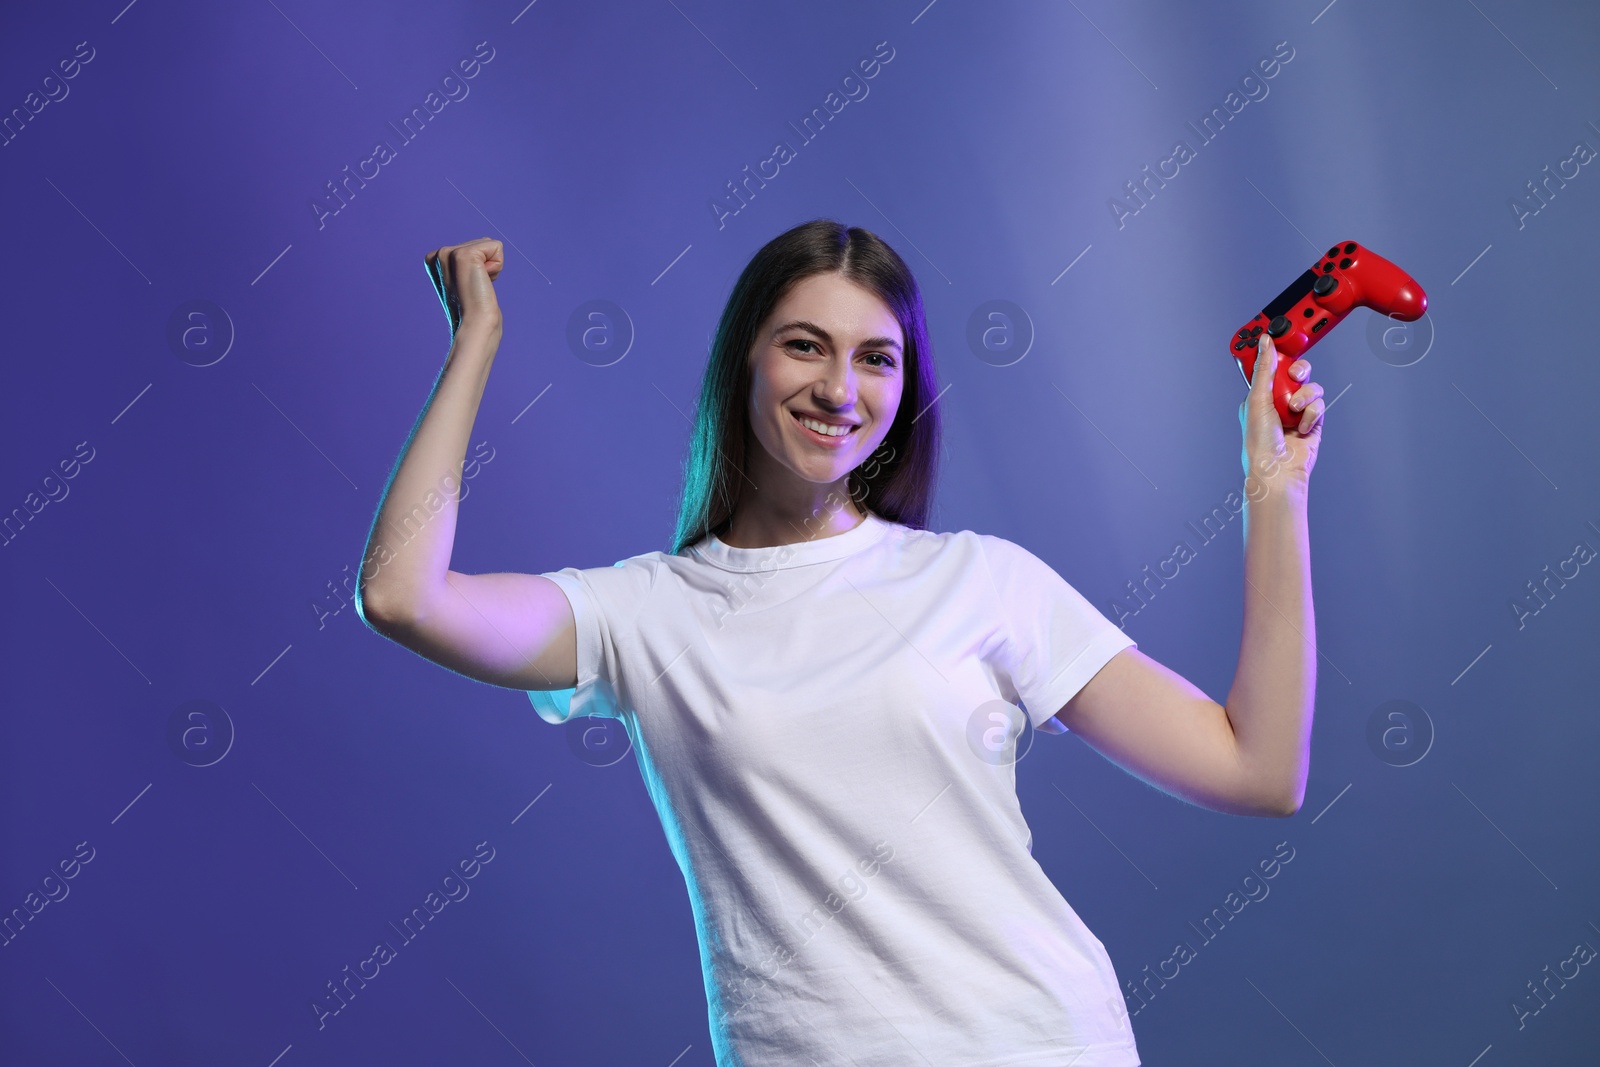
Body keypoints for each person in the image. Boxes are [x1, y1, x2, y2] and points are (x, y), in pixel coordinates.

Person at [357, 219, 1324, 1065]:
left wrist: (1275, 487)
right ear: (746, 358)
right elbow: (403, 594)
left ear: (906, 388)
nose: (839, 386)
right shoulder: (642, 612)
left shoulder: (981, 578)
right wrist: (475, 342)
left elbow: (1256, 767)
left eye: (876, 357)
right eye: (805, 346)